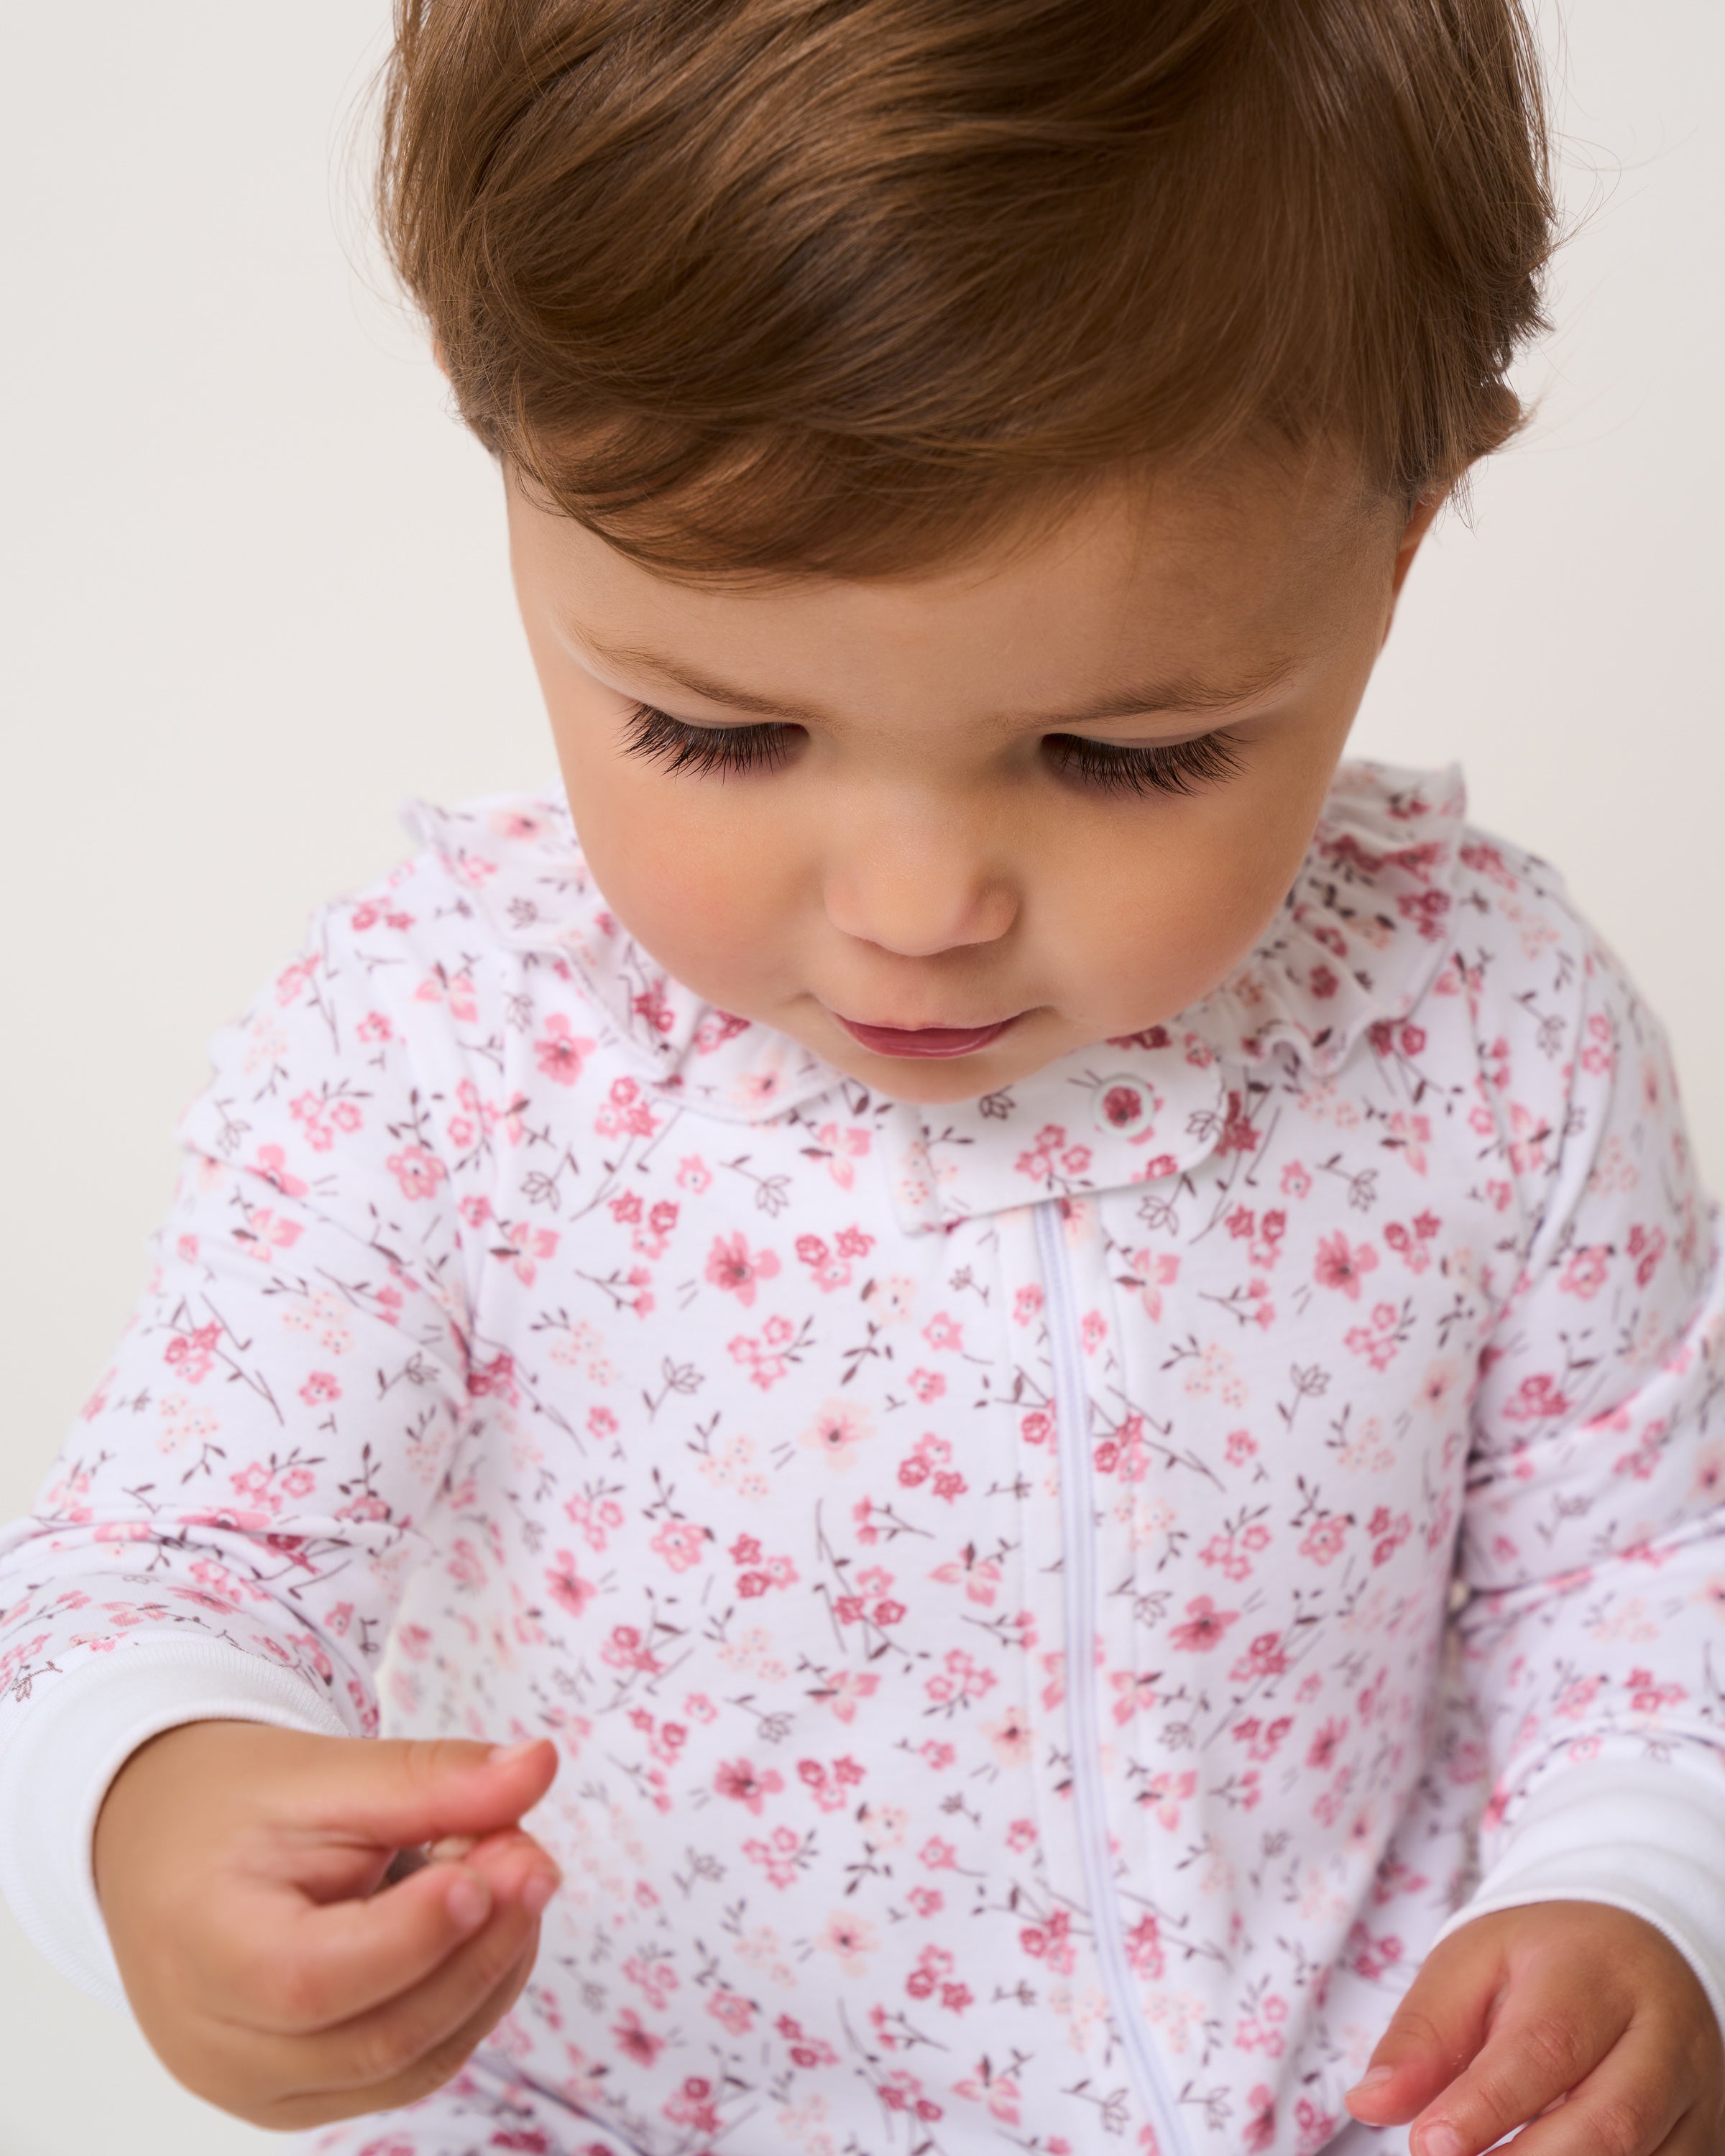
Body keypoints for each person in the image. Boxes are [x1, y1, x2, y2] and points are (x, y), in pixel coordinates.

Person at [3, 2, 1722, 2151]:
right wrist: (152, 1807)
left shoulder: (1488, 1031)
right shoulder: (436, 1052)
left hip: (1329, 2091)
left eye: (1124, 755)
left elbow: (1634, 1578)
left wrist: (1636, 1891)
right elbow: (172, 1563)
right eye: (722, 734)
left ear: (1396, 542)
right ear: (510, 460)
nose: (916, 907)